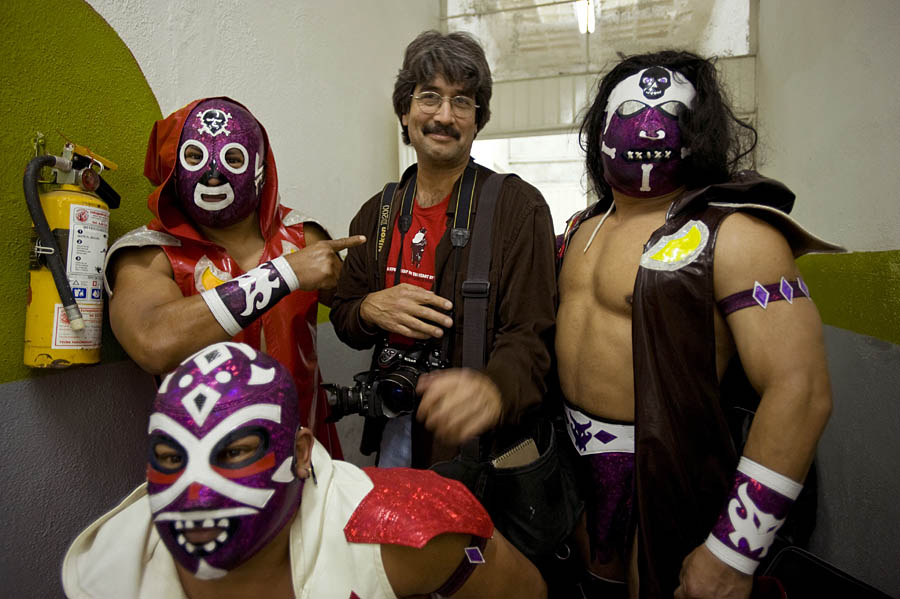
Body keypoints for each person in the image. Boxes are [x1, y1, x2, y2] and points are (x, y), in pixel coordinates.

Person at [555, 51, 840, 598]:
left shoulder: (740, 234)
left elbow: (801, 391)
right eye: (630, 109)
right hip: (571, 467)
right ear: (601, 126)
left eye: (669, 112)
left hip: (673, 477)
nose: (648, 125)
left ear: (700, 128)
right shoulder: (579, 229)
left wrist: (734, 552)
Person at [62, 342, 547, 598]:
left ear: (300, 453)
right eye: (172, 458)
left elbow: (521, 591)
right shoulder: (106, 571)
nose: (197, 494)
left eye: (234, 453)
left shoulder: (404, 530)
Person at [330, 30, 557, 468]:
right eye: (430, 96)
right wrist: (368, 309)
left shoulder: (518, 209)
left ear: (477, 119)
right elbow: (345, 317)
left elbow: (530, 335)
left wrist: (493, 390)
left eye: (462, 101)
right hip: (394, 432)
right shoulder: (376, 214)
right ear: (404, 110)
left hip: (480, 444)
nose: (445, 116)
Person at [105, 97, 363, 457]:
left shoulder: (302, 236)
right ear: (173, 168)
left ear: (260, 168)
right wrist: (284, 273)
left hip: (309, 454)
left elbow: (357, 311)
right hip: (211, 469)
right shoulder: (150, 254)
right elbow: (153, 342)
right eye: (194, 156)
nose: (213, 173)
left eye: (233, 158)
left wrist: (380, 304)